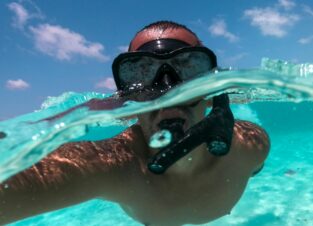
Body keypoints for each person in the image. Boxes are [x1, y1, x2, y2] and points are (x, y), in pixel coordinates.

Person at [0, 21, 270, 226]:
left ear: (212, 85)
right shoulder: (113, 165)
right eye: (141, 71)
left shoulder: (252, 146)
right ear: (128, 93)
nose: (167, 88)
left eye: (189, 67)